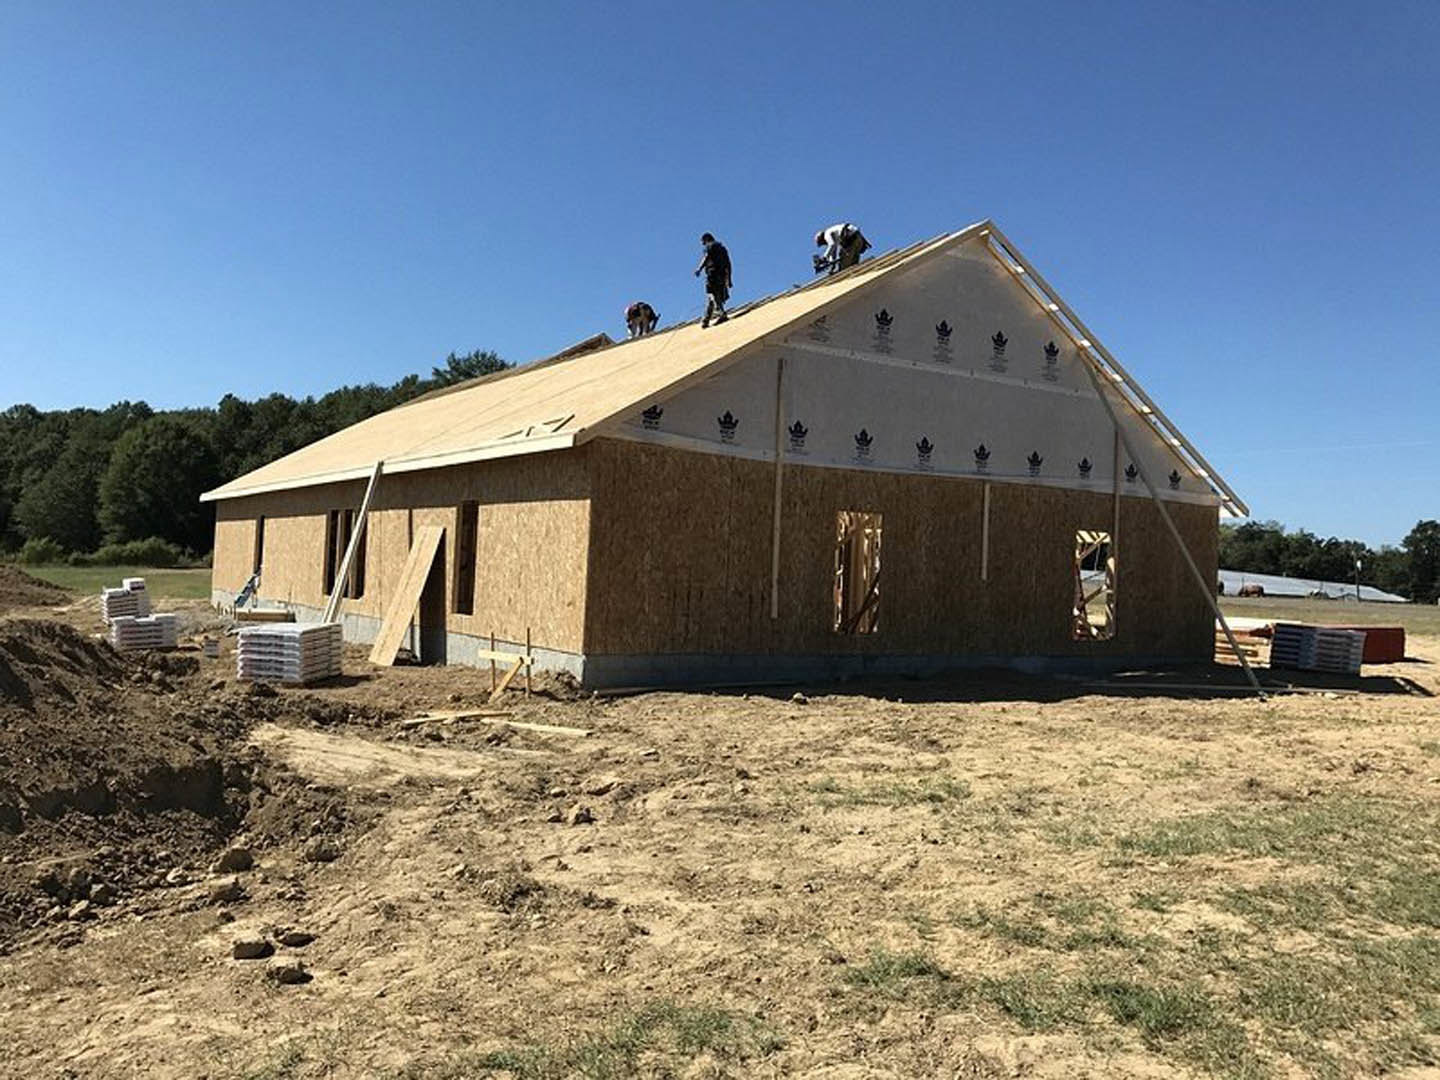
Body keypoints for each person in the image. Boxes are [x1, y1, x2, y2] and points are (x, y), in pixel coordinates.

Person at [694, 232, 732, 328]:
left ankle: (721, 312)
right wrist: (729, 279)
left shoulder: (710, 246)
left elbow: (706, 257)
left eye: (703, 242)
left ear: (707, 239)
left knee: (712, 294)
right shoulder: (723, 249)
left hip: (712, 274)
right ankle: (706, 320)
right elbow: (728, 264)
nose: (703, 244)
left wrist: (699, 269)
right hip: (722, 275)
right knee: (713, 297)